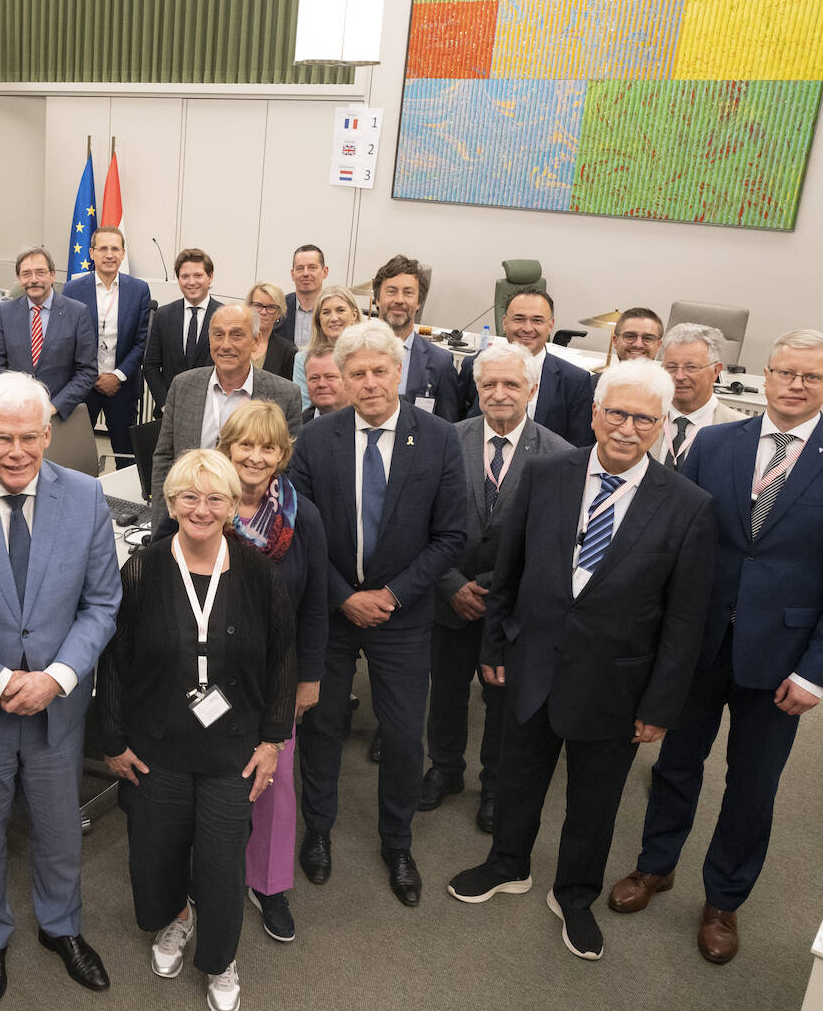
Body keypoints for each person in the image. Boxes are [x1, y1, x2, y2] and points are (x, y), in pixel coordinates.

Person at [610, 330, 823, 964]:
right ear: (764, 375)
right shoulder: (714, 444)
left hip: (783, 660)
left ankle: (724, 899)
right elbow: (677, 542)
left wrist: (818, 673)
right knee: (675, 765)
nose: (796, 385)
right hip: (700, 644)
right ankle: (655, 865)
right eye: (786, 372)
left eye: (811, 377)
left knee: (752, 785)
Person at [446, 360, 714, 962]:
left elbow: (684, 621)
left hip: (616, 685)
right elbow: (510, 570)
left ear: (662, 426)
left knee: (595, 802)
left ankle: (574, 894)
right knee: (517, 777)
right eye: (615, 413)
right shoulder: (546, 474)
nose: (626, 428)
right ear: (595, 413)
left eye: (643, 419)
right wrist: (494, 646)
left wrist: (660, 706)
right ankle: (507, 864)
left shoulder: (688, 506)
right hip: (532, 664)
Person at [0, 373, 122, 1006]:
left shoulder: (87, 496)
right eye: (1, 438)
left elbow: (101, 603)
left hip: (57, 702)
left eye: (28, 438)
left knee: (59, 824)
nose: (16, 453)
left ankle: (61, 925)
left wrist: (57, 678)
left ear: (48, 434)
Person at [96, 448, 293, 1011]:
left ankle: (220, 956)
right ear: (170, 501)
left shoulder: (258, 573)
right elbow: (115, 660)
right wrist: (113, 739)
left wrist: (272, 741)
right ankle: (176, 918)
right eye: (189, 497)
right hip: (156, 742)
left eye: (214, 498)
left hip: (234, 745)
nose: (200, 510)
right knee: (155, 847)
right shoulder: (142, 569)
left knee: (222, 858)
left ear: (232, 505)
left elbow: (284, 657)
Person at [288, 319, 467, 907]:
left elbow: (451, 536)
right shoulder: (316, 440)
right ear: (341, 378)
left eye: (379, 371)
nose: (369, 383)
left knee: (403, 734)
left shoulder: (439, 439)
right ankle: (318, 829)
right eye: (357, 373)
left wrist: (390, 596)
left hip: (403, 615)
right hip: (331, 611)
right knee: (321, 726)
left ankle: (398, 841)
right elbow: (299, 532)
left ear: (400, 371)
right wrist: (344, 597)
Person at [423, 341, 571, 834]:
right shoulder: (446, 439)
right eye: (489, 383)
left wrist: (492, 589)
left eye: (511, 383)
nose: (500, 393)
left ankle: (494, 785)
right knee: (445, 693)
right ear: (477, 388)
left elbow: (553, 543)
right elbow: (420, 520)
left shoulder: (560, 455)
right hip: (448, 596)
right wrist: (451, 584)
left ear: (533, 388)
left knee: (502, 700)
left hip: (513, 609)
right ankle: (445, 768)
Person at [214, 402, 326, 944]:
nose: (255, 457)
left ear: (282, 455)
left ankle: (268, 884)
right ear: (226, 449)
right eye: (245, 445)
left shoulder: (304, 517)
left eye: (268, 447)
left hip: (277, 673)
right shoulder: (202, 503)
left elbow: (316, 603)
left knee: (274, 782)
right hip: (208, 672)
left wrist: (309, 677)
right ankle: (211, 873)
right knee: (212, 775)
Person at [150, 303, 302, 514]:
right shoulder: (183, 386)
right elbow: (164, 459)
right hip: (190, 515)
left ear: (256, 341)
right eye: (218, 335)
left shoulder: (285, 395)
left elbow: (286, 470)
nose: (226, 345)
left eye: (237, 335)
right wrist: (161, 522)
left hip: (248, 520)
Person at [65, 226, 153, 467]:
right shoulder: (72, 290)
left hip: (122, 387)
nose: (109, 254)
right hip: (82, 386)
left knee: (126, 458)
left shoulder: (139, 290)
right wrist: (91, 375)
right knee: (76, 456)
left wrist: (117, 376)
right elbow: (67, 341)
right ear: (91, 253)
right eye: (103, 248)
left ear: (123, 253)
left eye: (115, 248)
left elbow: (141, 340)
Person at [457, 289, 592, 446]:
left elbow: (577, 449)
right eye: (519, 319)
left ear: (550, 325)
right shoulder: (474, 366)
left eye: (537, 320)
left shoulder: (575, 381)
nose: (527, 328)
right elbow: (456, 429)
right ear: (504, 322)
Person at [0, 246, 98, 422]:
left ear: (52, 274)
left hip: (59, 416)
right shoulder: (5, 312)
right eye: (26, 273)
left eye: (40, 272)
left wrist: (54, 406)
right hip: (16, 413)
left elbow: (87, 371)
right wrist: (16, 400)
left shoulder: (77, 313)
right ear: (19, 278)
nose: (33, 279)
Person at [372, 255, 460, 421]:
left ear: (419, 302)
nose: (399, 300)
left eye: (408, 293)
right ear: (377, 299)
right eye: (391, 291)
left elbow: (448, 427)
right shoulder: (354, 353)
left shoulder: (440, 363)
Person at [142, 247, 220, 419]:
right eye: (185, 276)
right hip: (169, 413)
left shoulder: (225, 316)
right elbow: (151, 365)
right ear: (178, 279)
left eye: (198, 275)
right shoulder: (163, 315)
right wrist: (166, 405)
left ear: (210, 276)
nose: (191, 282)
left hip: (212, 414)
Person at [655, 322, 747, 467]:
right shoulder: (641, 419)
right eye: (671, 367)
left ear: (716, 371)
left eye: (691, 367)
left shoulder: (741, 430)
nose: (679, 376)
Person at [293, 286, 361, 412]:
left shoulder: (367, 355)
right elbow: (304, 406)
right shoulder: (302, 358)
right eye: (326, 312)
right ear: (318, 319)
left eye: (340, 310)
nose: (333, 318)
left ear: (354, 315)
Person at [245, 282, 296, 379]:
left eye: (271, 307)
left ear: (278, 313)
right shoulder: (232, 339)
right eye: (258, 305)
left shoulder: (288, 351)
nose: (263, 312)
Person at [281, 244, 327, 350]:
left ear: (325, 272)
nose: (305, 273)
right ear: (292, 274)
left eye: (312, 267)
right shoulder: (279, 308)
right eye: (300, 268)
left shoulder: (335, 311)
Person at [302, 345, 347, 425]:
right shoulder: (298, 425)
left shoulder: (365, 420)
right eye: (314, 378)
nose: (321, 384)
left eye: (330, 377)